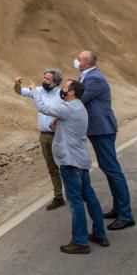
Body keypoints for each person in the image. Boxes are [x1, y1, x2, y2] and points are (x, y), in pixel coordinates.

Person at [29, 79, 109, 254]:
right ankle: (99, 233)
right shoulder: (78, 107)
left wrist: (35, 91)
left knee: (76, 201)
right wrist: (58, 120)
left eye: (64, 88)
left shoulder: (68, 108)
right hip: (81, 160)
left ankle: (80, 241)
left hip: (70, 162)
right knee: (90, 198)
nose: (62, 90)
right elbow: (65, 116)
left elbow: (43, 108)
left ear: (71, 93)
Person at [73, 50, 135, 230]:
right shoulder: (86, 76)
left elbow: (79, 99)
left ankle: (125, 214)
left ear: (86, 63)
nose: (76, 60)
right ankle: (118, 208)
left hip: (102, 128)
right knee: (108, 168)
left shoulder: (94, 79)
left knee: (112, 170)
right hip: (97, 128)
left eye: (79, 58)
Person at [14, 69, 66, 210]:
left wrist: (57, 119)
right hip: (44, 135)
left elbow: (67, 111)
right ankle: (58, 196)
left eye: (48, 79)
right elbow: (19, 91)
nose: (44, 80)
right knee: (52, 167)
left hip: (59, 135)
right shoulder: (38, 91)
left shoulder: (62, 94)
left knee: (67, 166)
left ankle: (77, 193)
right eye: (44, 78)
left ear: (55, 82)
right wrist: (17, 84)